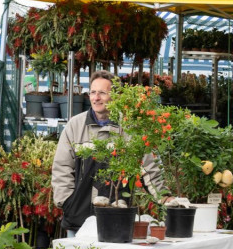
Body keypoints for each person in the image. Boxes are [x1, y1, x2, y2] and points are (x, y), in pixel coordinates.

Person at [52, 71, 166, 234]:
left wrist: (165, 198)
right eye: (93, 92)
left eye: (102, 93)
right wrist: (68, 202)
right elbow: (61, 168)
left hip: (116, 219)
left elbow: (150, 167)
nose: (96, 98)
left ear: (115, 96)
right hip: (78, 221)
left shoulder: (130, 128)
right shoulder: (75, 126)